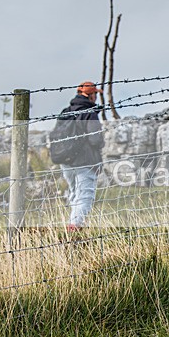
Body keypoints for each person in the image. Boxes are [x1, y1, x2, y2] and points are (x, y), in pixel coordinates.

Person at [60, 81, 104, 232]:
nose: (96, 97)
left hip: (66, 160)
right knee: (85, 195)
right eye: (95, 94)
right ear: (90, 95)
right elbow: (95, 139)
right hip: (85, 160)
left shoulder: (66, 111)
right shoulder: (89, 113)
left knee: (74, 192)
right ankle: (75, 227)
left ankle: (73, 223)